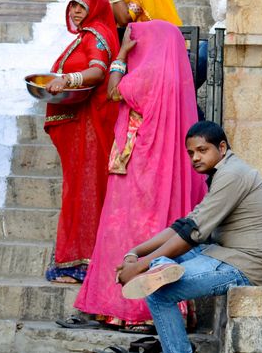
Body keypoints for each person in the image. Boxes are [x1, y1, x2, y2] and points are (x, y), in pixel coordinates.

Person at [117, 121, 262, 353]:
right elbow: (187, 223)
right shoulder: (224, 173)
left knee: (159, 294)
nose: (195, 158)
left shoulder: (232, 175)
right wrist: (136, 252)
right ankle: (162, 266)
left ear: (222, 147)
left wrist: (140, 266)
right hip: (226, 253)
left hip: (247, 265)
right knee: (167, 261)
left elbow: (192, 234)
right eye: (191, 153)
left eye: (202, 150)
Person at [69, 20, 206, 333]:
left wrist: (120, 55)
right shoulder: (174, 79)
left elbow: (113, 90)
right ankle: (161, 311)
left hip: (137, 167)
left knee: (127, 232)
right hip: (165, 171)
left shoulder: (146, 74)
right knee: (160, 230)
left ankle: (128, 310)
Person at [42, 0, 121, 284]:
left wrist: (67, 79)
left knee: (86, 191)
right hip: (82, 124)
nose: (75, 12)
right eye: (72, 6)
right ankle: (81, 262)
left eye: (81, 7)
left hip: (89, 127)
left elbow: (97, 72)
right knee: (81, 190)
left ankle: (82, 265)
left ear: (95, 9)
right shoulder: (87, 35)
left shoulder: (95, 34)